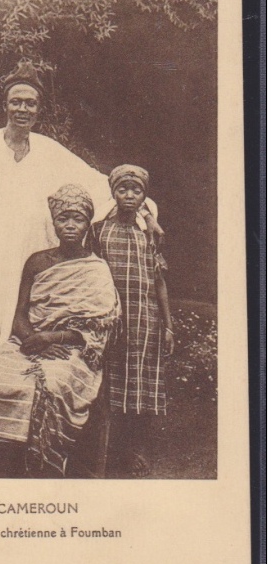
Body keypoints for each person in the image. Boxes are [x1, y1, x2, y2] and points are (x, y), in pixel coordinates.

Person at [0, 61, 160, 373]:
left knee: (31, 332)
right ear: (5, 105)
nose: (22, 109)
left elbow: (100, 185)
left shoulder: (49, 151)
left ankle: (24, 409)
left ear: (39, 109)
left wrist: (145, 210)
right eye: (16, 102)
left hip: (33, 259)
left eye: (30, 103)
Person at [0, 184, 119, 477]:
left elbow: (98, 326)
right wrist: (32, 340)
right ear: (54, 223)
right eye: (64, 219)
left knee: (50, 385)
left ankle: (43, 464)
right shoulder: (38, 261)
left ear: (88, 223)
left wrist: (53, 338)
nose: (70, 225)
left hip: (74, 346)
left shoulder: (96, 268)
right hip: (29, 341)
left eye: (78, 219)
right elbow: (20, 315)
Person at [86, 165, 174, 477]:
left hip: (145, 320)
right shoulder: (98, 231)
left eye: (136, 190)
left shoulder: (150, 233)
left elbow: (159, 280)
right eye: (123, 189)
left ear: (144, 196)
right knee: (111, 383)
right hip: (112, 318)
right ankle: (107, 450)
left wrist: (168, 325)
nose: (129, 195)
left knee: (141, 385)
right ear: (113, 193)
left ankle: (134, 448)